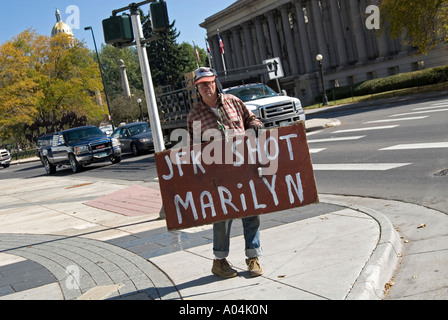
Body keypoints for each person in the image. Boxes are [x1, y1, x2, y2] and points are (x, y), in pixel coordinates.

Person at [187, 67, 264, 279]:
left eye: (209, 82)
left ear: (216, 82)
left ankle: (253, 257)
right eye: (201, 84)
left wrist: (256, 126)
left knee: (251, 212)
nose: (206, 87)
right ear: (197, 88)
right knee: (222, 217)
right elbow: (193, 148)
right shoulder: (195, 115)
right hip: (218, 175)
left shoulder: (233, 101)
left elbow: (252, 119)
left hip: (244, 167)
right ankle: (219, 262)